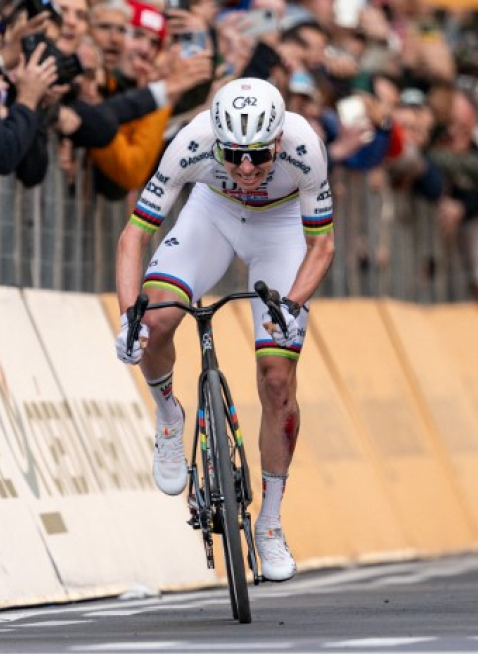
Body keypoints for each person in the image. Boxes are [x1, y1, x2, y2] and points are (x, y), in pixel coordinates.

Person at [113, 77, 335, 582]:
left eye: (259, 155)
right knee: (155, 320)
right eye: (234, 155)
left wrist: (293, 304)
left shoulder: (306, 147)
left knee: (277, 378)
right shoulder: (190, 142)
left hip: (280, 229)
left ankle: (271, 524)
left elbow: (321, 246)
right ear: (216, 141)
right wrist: (129, 314)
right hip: (210, 215)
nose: (248, 168)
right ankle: (169, 413)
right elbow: (135, 234)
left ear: (279, 140)